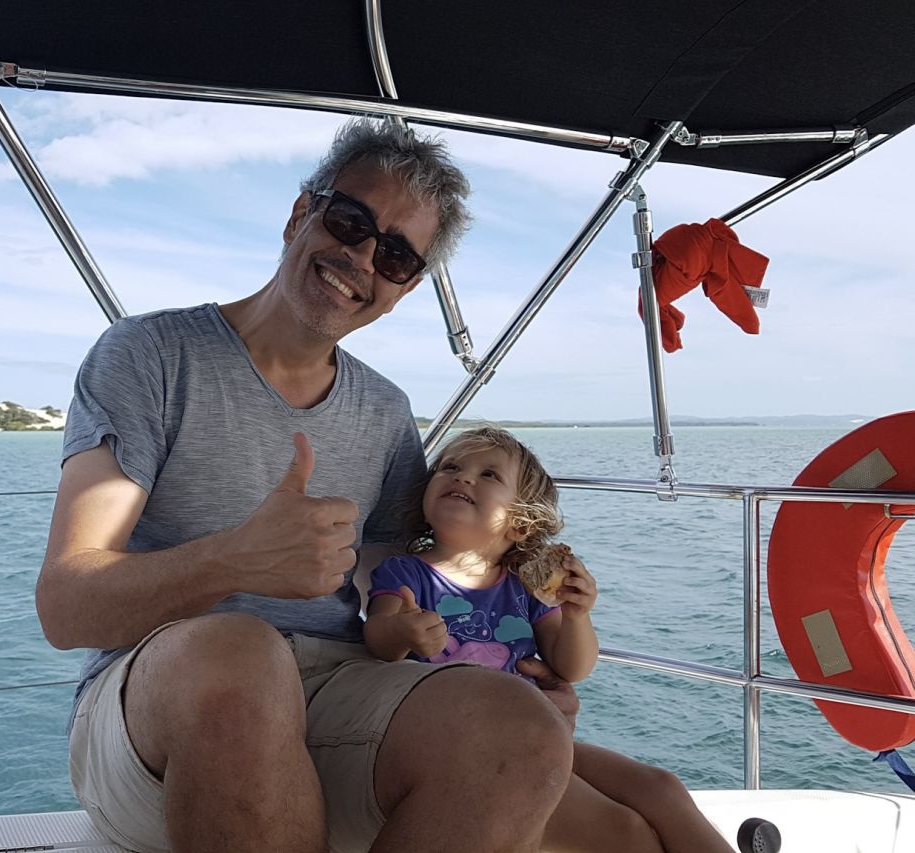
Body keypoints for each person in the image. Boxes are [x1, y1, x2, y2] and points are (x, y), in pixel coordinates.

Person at [38, 119, 575, 853]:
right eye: (349, 220)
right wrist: (234, 560)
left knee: (520, 727)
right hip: (156, 707)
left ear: (404, 286)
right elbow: (66, 606)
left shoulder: (385, 412)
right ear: (301, 212)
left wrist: (528, 640)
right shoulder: (150, 356)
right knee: (241, 656)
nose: (360, 256)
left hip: (334, 691)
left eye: (393, 253)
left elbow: (407, 593)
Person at [362, 425, 736, 853]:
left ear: (520, 525)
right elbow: (377, 638)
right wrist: (401, 631)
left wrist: (577, 616)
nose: (463, 477)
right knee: (628, 834)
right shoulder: (405, 574)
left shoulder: (526, 586)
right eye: (451, 467)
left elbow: (571, 667)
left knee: (662, 788)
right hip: (464, 744)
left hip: (535, 736)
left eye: (488, 475)